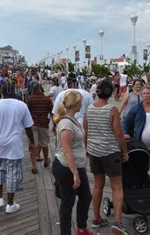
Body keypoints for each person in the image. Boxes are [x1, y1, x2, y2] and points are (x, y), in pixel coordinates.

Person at [0, 81, 35, 214]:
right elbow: (28, 127)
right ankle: (10, 204)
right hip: (15, 144)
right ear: (14, 91)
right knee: (13, 173)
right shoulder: (22, 105)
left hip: (1, 143)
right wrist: (32, 142)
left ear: (2, 92)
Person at [84, 80, 129, 234]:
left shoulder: (89, 109)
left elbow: (86, 131)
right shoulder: (112, 110)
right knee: (117, 187)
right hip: (110, 153)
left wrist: (87, 148)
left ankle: (96, 219)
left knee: (97, 185)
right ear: (110, 93)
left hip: (94, 152)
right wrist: (125, 151)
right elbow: (118, 134)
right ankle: (118, 222)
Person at [52, 90, 94, 235]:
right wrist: (75, 174)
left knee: (86, 196)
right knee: (67, 202)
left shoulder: (73, 119)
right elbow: (67, 151)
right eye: (80, 102)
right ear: (75, 104)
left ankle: (81, 228)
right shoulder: (66, 124)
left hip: (77, 165)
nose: (82, 104)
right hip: (67, 167)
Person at [26, 82, 53, 174]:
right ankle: (46, 160)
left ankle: (34, 167)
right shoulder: (47, 100)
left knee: (33, 145)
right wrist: (54, 125)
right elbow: (52, 113)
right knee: (45, 144)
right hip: (44, 124)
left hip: (32, 124)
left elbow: (27, 113)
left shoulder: (30, 100)